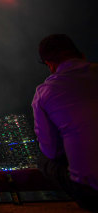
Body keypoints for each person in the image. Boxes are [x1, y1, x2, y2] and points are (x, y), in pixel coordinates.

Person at [32, 34, 98, 211]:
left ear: (50, 64)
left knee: (44, 159)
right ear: (82, 56)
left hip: (92, 192)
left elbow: (51, 150)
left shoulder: (45, 92)